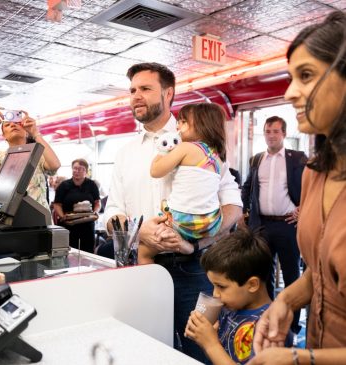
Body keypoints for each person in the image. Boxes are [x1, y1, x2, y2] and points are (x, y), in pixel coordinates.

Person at [103, 62, 243, 362]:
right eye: (132, 90)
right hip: (142, 269)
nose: (135, 96)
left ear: (169, 94)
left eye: (145, 89)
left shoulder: (199, 142)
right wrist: (139, 231)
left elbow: (233, 205)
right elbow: (111, 212)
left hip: (199, 268)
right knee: (146, 349)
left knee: (204, 347)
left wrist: (199, 241)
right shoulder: (125, 154)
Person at [248, 10, 346, 365]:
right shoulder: (315, 173)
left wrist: (299, 359)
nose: (290, 93)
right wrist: (285, 301)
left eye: (306, 76)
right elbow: (321, 276)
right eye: (291, 77)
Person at [241, 116, 307, 336]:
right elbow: (247, 187)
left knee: (291, 276)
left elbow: (310, 186)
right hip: (262, 226)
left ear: (284, 134)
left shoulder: (297, 158)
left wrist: (303, 208)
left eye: (275, 131)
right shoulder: (256, 159)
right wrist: (245, 212)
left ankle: (292, 325)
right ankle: (266, 319)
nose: (271, 135)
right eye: (268, 131)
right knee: (262, 275)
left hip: (288, 225)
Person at [139, 102, 227, 264]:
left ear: (202, 125)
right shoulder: (218, 158)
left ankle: (147, 286)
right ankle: (187, 248)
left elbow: (155, 171)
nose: (178, 125)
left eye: (183, 121)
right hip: (211, 222)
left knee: (144, 250)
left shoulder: (185, 147)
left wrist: (164, 148)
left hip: (183, 220)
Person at [185, 227, 272, 365]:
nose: (215, 294)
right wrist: (204, 337)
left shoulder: (269, 326)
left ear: (252, 285)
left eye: (221, 286)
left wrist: (211, 345)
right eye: (213, 286)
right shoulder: (231, 308)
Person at [0, 108, 61, 211]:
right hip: (9, 216)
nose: (13, 125)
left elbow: (54, 165)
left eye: (17, 123)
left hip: (39, 217)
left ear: (26, 132)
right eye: (7, 125)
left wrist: (35, 132)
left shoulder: (37, 154)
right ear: (4, 136)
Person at [54, 159, 101, 253]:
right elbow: (57, 204)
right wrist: (62, 216)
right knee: (69, 252)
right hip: (69, 225)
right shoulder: (64, 185)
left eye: (80, 169)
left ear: (86, 171)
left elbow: (97, 202)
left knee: (87, 252)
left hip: (87, 225)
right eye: (75, 168)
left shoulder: (91, 185)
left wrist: (96, 212)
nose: (76, 171)